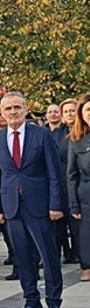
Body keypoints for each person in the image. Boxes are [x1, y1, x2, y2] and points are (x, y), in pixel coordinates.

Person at [0, 92, 63, 308]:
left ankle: (54, 303)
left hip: (39, 205)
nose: (13, 112)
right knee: (21, 258)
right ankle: (32, 302)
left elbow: (54, 173)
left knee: (48, 257)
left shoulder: (41, 135)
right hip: (11, 207)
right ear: (1, 112)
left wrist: (56, 204)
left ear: (25, 109)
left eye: (17, 107)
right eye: (8, 108)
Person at [47, 103, 79, 265]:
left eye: (56, 112)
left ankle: (77, 252)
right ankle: (64, 251)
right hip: (54, 181)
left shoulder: (69, 132)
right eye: (50, 112)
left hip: (71, 180)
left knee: (74, 219)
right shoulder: (45, 133)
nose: (53, 114)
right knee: (58, 220)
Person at [67, 93, 90, 282]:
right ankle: (87, 267)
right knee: (86, 232)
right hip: (86, 192)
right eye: (88, 110)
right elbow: (71, 174)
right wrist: (73, 204)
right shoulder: (76, 139)